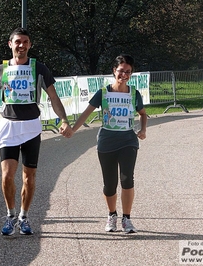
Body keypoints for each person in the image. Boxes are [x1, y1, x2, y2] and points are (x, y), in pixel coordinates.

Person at [0, 28, 72, 236]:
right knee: (7, 176)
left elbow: (53, 97)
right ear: (10, 44)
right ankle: (10, 215)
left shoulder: (39, 68)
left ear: (30, 45)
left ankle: (24, 217)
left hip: (31, 126)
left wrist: (64, 120)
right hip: (9, 126)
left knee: (29, 177)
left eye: (25, 42)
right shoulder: (1, 70)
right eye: (17, 42)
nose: (21, 46)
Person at [71, 54, 147, 233]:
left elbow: (143, 113)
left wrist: (143, 130)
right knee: (110, 183)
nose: (124, 75)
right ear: (114, 71)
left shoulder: (134, 94)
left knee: (127, 179)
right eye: (121, 71)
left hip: (128, 140)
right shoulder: (103, 93)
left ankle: (126, 219)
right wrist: (72, 130)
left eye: (128, 72)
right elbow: (86, 113)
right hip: (107, 141)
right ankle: (112, 215)